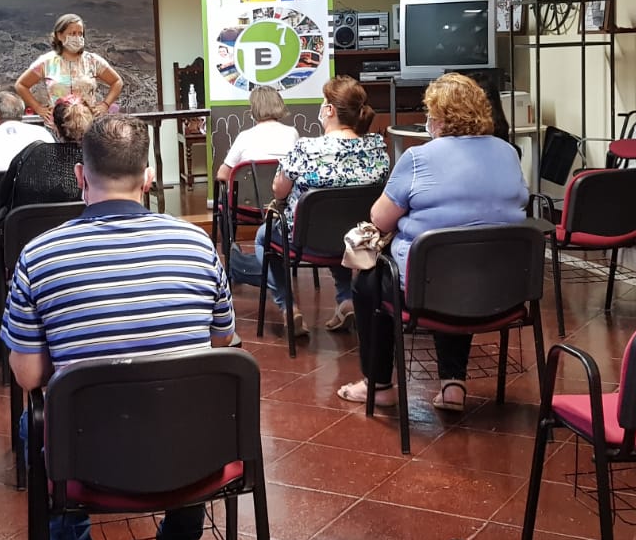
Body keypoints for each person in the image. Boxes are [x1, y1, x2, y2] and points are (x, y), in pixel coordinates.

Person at [1, 114, 235, 540]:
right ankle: (182, 532)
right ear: (149, 177)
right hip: (192, 450)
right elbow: (219, 345)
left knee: (31, 423)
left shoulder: (38, 255)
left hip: (88, 458)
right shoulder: (198, 244)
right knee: (197, 397)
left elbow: (28, 376)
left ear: (79, 176)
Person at [336, 73, 527, 411]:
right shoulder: (509, 153)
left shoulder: (418, 158)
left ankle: (378, 385)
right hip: (502, 288)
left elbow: (379, 219)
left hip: (429, 286)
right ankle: (453, 384)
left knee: (369, 280)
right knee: (465, 260)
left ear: (438, 117)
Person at [254, 76, 389, 337]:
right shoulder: (377, 150)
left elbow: (279, 190)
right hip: (355, 239)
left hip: (304, 240)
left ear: (329, 110)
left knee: (263, 237)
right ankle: (346, 300)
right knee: (339, 221)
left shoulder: (306, 148)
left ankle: (288, 307)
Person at [0, 96, 94, 281]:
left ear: (54, 126)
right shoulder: (99, 161)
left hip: (30, 250)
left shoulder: (30, 154)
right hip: (86, 250)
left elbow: (3, 196)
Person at [15, 14, 124, 123]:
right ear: (59, 35)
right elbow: (21, 85)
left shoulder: (93, 61)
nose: (77, 37)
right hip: (57, 125)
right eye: (72, 33)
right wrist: (38, 108)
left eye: (80, 33)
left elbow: (117, 82)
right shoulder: (46, 62)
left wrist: (105, 105)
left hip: (88, 124)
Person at [214, 85, 299, 183]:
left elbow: (222, 175)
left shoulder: (244, 137)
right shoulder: (292, 133)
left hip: (250, 193)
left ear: (253, 109)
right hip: (285, 192)